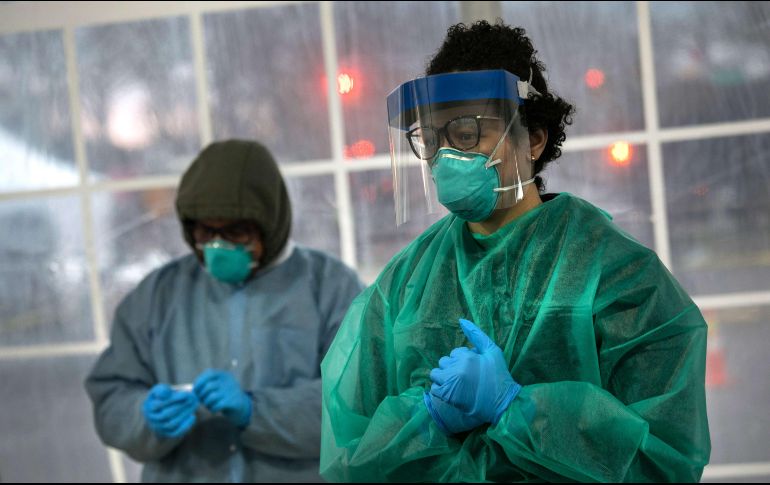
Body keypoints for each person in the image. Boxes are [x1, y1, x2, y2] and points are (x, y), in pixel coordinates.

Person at [320, 21, 710, 482]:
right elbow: (352, 459)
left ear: (534, 138)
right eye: (432, 138)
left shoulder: (614, 274)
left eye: (466, 134)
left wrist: (517, 407)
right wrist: (428, 419)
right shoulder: (403, 288)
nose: (446, 157)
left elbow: (664, 455)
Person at [85, 139, 364, 482]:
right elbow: (111, 395)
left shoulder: (330, 287)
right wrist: (142, 417)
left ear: (272, 222)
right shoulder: (157, 296)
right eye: (206, 231)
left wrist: (256, 409)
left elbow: (355, 400)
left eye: (236, 232)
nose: (218, 246)